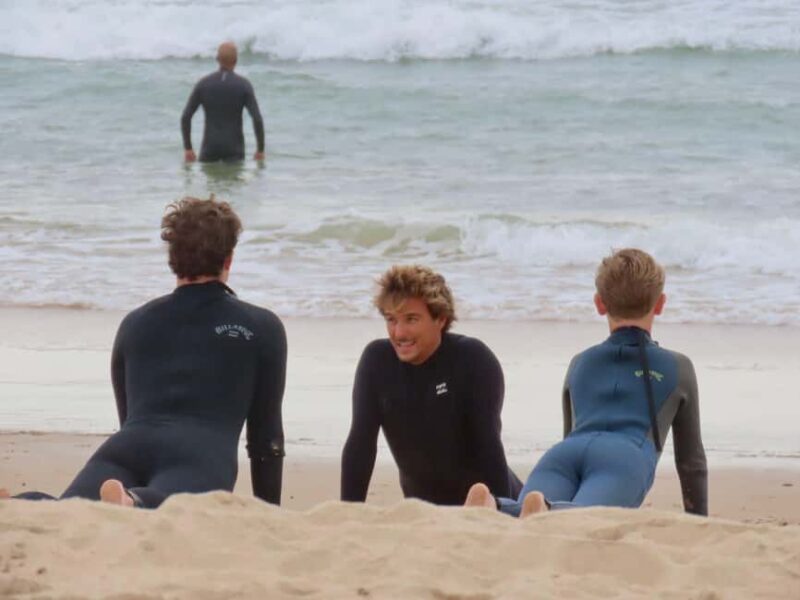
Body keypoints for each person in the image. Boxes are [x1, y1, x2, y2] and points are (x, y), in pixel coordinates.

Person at [3, 197, 286, 508]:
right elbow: (266, 441)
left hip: (124, 450)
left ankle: (23, 504)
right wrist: (269, 512)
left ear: (172, 258)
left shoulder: (135, 323)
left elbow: (129, 417)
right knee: (157, 505)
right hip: (198, 457)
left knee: (69, 508)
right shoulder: (261, 326)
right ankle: (131, 503)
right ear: (229, 259)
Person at [465, 249, 707, 517]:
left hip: (564, 454)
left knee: (529, 514)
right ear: (660, 304)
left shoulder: (580, 362)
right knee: (579, 519)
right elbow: (691, 461)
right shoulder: (677, 366)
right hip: (624, 458)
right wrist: (699, 521)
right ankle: (545, 509)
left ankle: (494, 506)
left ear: (599, 303)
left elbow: (570, 432)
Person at [341, 265, 522, 505]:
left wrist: (501, 514)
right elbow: (361, 444)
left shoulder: (472, 359)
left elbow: (489, 448)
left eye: (411, 319)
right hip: (425, 511)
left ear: (440, 318)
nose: (399, 332)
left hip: (488, 502)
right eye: (391, 320)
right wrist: (349, 515)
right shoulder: (377, 361)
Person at [181, 42, 265, 163]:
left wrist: (188, 148)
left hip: (209, 148)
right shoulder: (243, 85)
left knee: (210, 181)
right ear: (236, 60)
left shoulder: (203, 84)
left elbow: (186, 116)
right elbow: (257, 118)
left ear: (217, 59)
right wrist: (260, 150)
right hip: (234, 149)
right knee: (233, 181)